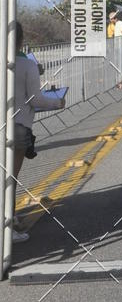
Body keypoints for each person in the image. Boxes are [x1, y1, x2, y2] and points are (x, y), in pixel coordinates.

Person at [12, 22, 66, 242]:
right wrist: (58, 102)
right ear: (21, 40)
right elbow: (36, 99)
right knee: (9, 179)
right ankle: (8, 229)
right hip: (17, 129)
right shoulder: (26, 65)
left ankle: (10, 218)